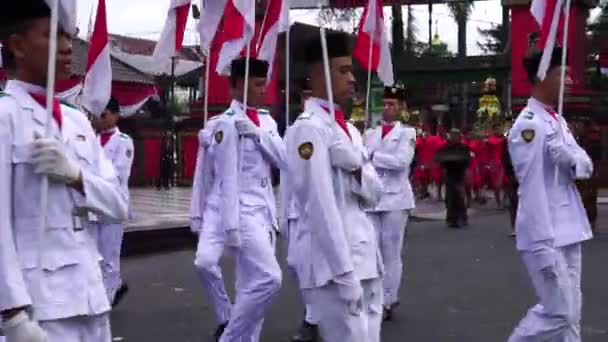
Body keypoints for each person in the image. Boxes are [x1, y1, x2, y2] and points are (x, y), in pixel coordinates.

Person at [0, 2, 129, 341]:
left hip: (90, 297)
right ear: (17, 45)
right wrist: (12, 316)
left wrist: (76, 176)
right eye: (52, 35)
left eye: (68, 36)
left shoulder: (77, 121)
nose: (67, 47)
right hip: (38, 307)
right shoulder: (5, 116)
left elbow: (117, 206)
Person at [284, 31, 384, 342]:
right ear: (317, 75)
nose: (353, 79)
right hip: (333, 268)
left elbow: (375, 194)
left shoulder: (351, 132)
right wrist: (343, 274)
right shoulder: (308, 131)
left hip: (366, 258)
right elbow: (319, 206)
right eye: (343, 71)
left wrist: (355, 168)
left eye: (351, 70)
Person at [507, 47, 593, 342]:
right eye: (563, 74)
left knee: (572, 314)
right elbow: (530, 188)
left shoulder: (557, 120)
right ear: (543, 77)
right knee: (560, 313)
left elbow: (585, 166)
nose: (570, 80)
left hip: (569, 229)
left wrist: (569, 158)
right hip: (546, 233)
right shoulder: (530, 124)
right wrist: (542, 243)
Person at [210, 57, 286, 342]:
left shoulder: (265, 121)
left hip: (265, 212)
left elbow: (285, 160)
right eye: (256, 84)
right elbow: (226, 178)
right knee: (270, 278)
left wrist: (259, 137)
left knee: (249, 286)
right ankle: (229, 337)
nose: (262, 90)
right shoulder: (226, 123)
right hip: (242, 212)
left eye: (263, 83)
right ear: (238, 86)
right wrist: (229, 225)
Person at [364, 84, 416, 321]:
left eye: (392, 104)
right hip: (372, 198)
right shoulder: (370, 133)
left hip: (396, 198)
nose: (387, 108)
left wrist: (373, 156)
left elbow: (401, 162)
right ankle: (372, 296)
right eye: (384, 103)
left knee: (391, 251)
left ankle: (388, 299)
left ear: (402, 107)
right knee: (370, 249)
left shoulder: (407, 133)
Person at [282, 86, 320, 342]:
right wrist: (282, 210)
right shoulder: (293, 130)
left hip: (318, 209)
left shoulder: (325, 129)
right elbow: (285, 173)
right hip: (296, 208)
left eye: (311, 95)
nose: (308, 100)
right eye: (304, 95)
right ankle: (317, 312)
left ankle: (312, 319)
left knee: (313, 265)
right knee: (295, 264)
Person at [91, 98, 134, 307]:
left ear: (116, 115)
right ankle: (109, 288)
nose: (99, 119)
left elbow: (119, 174)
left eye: (104, 114)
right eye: (97, 115)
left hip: (112, 204)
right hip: (93, 204)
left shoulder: (123, 141)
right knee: (94, 254)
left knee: (110, 253)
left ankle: (108, 295)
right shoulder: (91, 139)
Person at [435, 129, 471, 228]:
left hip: (460, 174)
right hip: (449, 174)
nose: (453, 137)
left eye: (455, 135)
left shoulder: (463, 147)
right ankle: (451, 219)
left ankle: (462, 218)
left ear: (459, 137)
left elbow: (467, 160)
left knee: (459, 196)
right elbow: (439, 159)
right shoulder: (445, 147)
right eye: (452, 135)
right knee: (450, 197)